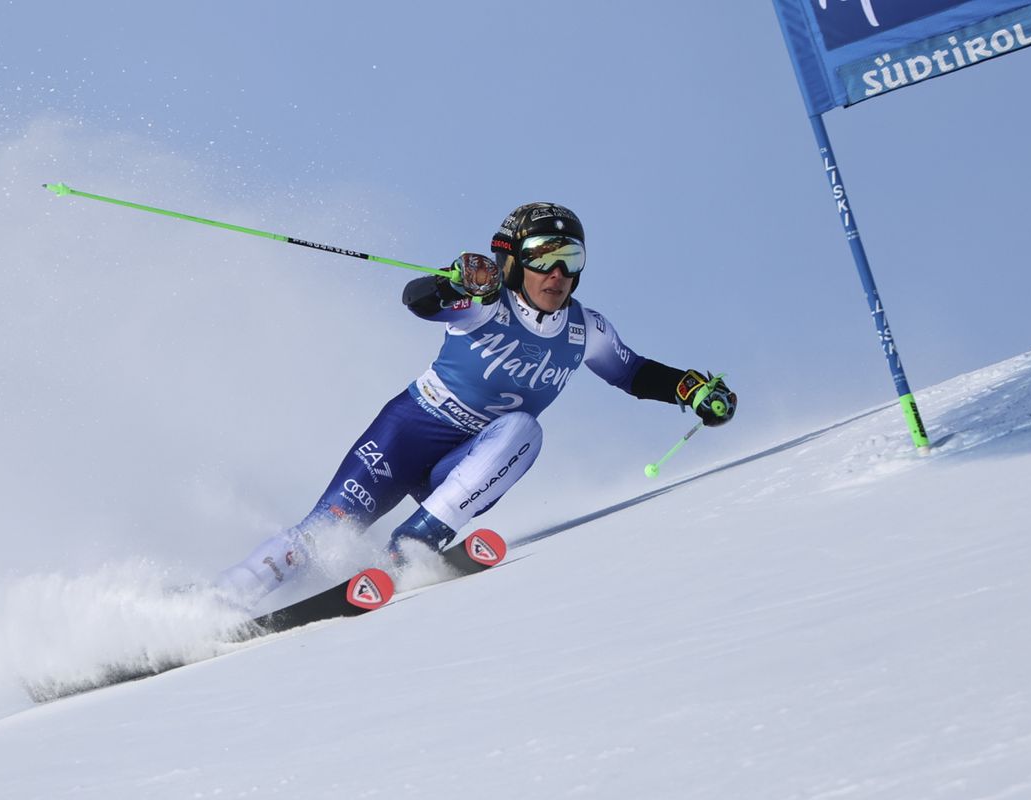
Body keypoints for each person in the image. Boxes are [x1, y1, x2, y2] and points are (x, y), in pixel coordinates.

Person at [214, 203, 736, 609]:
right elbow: (419, 300)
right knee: (321, 532)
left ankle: (410, 547)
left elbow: (632, 372)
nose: (557, 273)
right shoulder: (487, 302)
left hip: (465, 465)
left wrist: (690, 389)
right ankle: (217, 603)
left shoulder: (585, 329)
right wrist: (451, 283)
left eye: (571, 260)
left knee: (523, 429)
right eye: (543, 257)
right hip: (409, 433)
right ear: (514, 259)